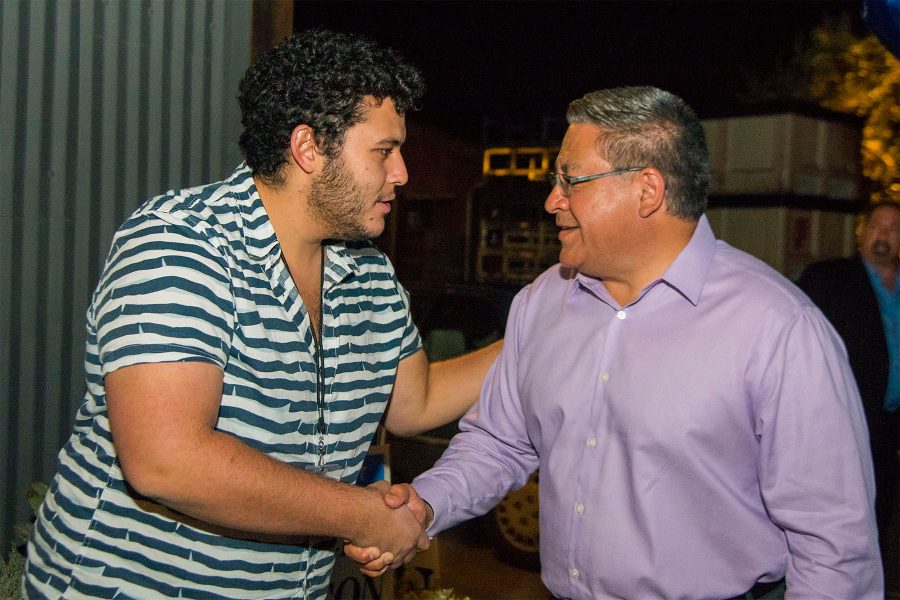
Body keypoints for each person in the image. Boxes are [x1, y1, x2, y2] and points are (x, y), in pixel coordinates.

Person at [348, 86, 883, 598]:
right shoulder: (543, 303)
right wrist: (425, 505)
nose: (552, 200)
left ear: (647, 190)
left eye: (570, 179)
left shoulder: (778, 328)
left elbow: (834, 551)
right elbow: (499, 443)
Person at [23, 29, 500, 599]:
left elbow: (414, 401)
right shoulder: (181, 244)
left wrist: (542, 332)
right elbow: (166, 459)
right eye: (383, 150)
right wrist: (360, 514)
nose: (402, 174)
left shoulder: (368, 272)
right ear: (308, 148)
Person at [798, 201, 900, 559]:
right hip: (843, 420)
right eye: (876, 226)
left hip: (889, 425)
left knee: (881, 509)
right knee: (839, 514)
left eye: (893, 228)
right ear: (862, 233)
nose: (883, 236)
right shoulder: (831, 280)